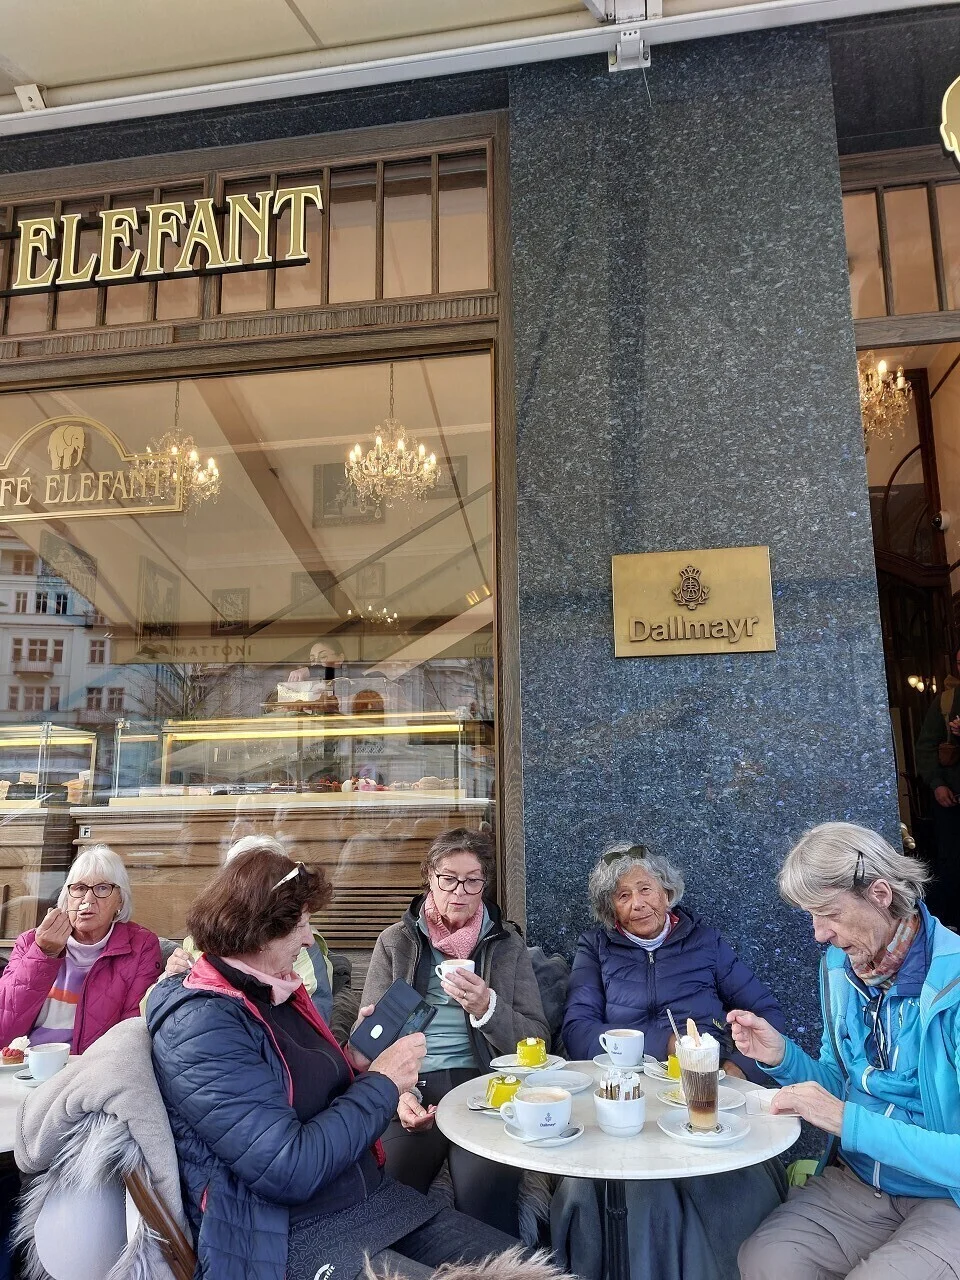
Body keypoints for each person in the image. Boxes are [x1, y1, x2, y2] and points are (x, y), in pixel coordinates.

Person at [146, 844, 519, 1280]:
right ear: (261, 931)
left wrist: (355, 1061)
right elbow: (286, 1168)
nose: (308, 939)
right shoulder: (201, 1024)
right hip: (281, 1232)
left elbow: (296, 1089)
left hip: (362, 1201)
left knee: (527, 1262)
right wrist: (383, 1082)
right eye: (302, 925)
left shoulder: (270, 991)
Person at [733, 821, 960, 1279]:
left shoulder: (954, 985)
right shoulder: (839, 967)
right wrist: (782, 1058)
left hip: (946, 1194)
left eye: (828, 915)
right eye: (811, 917)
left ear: (879, 894)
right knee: (764, 1261)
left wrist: (847, 1121)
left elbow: (843, 1113)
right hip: (859, 1182)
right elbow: (840, 1083)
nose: (819, 935)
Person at [362, 828, 549, 1236]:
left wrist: (488, 1008)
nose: (459, 891)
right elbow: (370, 1042)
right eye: (448, 878)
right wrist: (399, 1093)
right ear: (430, 877)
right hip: (412, 1084)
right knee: (389, 1191)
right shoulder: (396, 942)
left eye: (473, 880)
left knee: (485, 1200)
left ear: (485, 883)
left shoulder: (506, 943)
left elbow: (537, 1039)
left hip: (485, 1088)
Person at [562, 842, 786, 1082]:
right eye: (623, 895)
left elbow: (766, 1014)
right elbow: (577, 1032)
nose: (637, 903)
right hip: (626, 1080)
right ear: (612, 909)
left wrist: (739, 1067)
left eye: (645, 889)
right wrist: (665, 1044)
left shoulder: (706, 942)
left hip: (704, 1076)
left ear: (666, 894)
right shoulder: (595, 948)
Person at [0, 844, 160, 1053]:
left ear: (119, 900)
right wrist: (43, 954)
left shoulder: (141, 947)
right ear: (67, 898)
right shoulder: (31, 942)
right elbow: (4, 1029)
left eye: (102, 888)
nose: (88, 899)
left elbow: (131, 1033)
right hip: (27, 1064)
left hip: (89, 1068)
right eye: (79, 888)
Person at [161, 834, 338, 1023]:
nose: (308, 938)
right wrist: (170, 978)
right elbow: (147, 1015)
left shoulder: (300, 947)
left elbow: (313, 1026)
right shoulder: (196, 942)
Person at [916, 650, 960, 927]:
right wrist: (937, 783)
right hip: (952, 801)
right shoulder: (946, 701)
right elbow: (926, 746)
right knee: (952, 863)